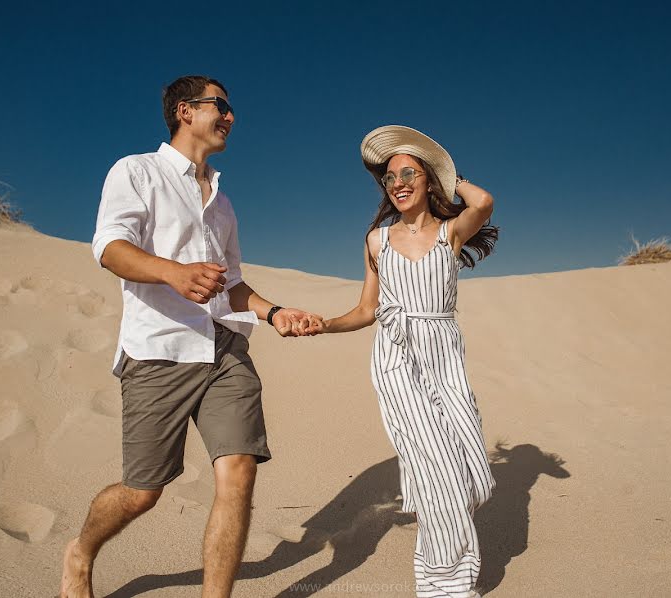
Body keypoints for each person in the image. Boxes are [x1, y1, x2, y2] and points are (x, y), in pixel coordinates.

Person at [60, 75, 321, 598]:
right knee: (142, 492)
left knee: (239, 471)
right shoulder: (137, 171)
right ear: (185, 110)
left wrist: (273, 314)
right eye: (220, 106)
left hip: (224, 347)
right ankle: (81, 551)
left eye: (230, 109)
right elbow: (110, 248)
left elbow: (234, 283)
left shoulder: (222, 203)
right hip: (159, 349)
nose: (229, 116)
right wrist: (172, 273)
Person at [304, 125, 498, 597]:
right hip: (397, 362)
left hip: (445, 358)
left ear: (430, 180)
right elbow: (367, 311)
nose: (398, 183)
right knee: (436, 470)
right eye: (390, 178)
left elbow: (484, 202)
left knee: (472, 473)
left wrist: (445, 170)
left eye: (409, 173)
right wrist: (325, 324)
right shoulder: (377, 241)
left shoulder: (452, 232)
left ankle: (447, 558)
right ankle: (444, 583)